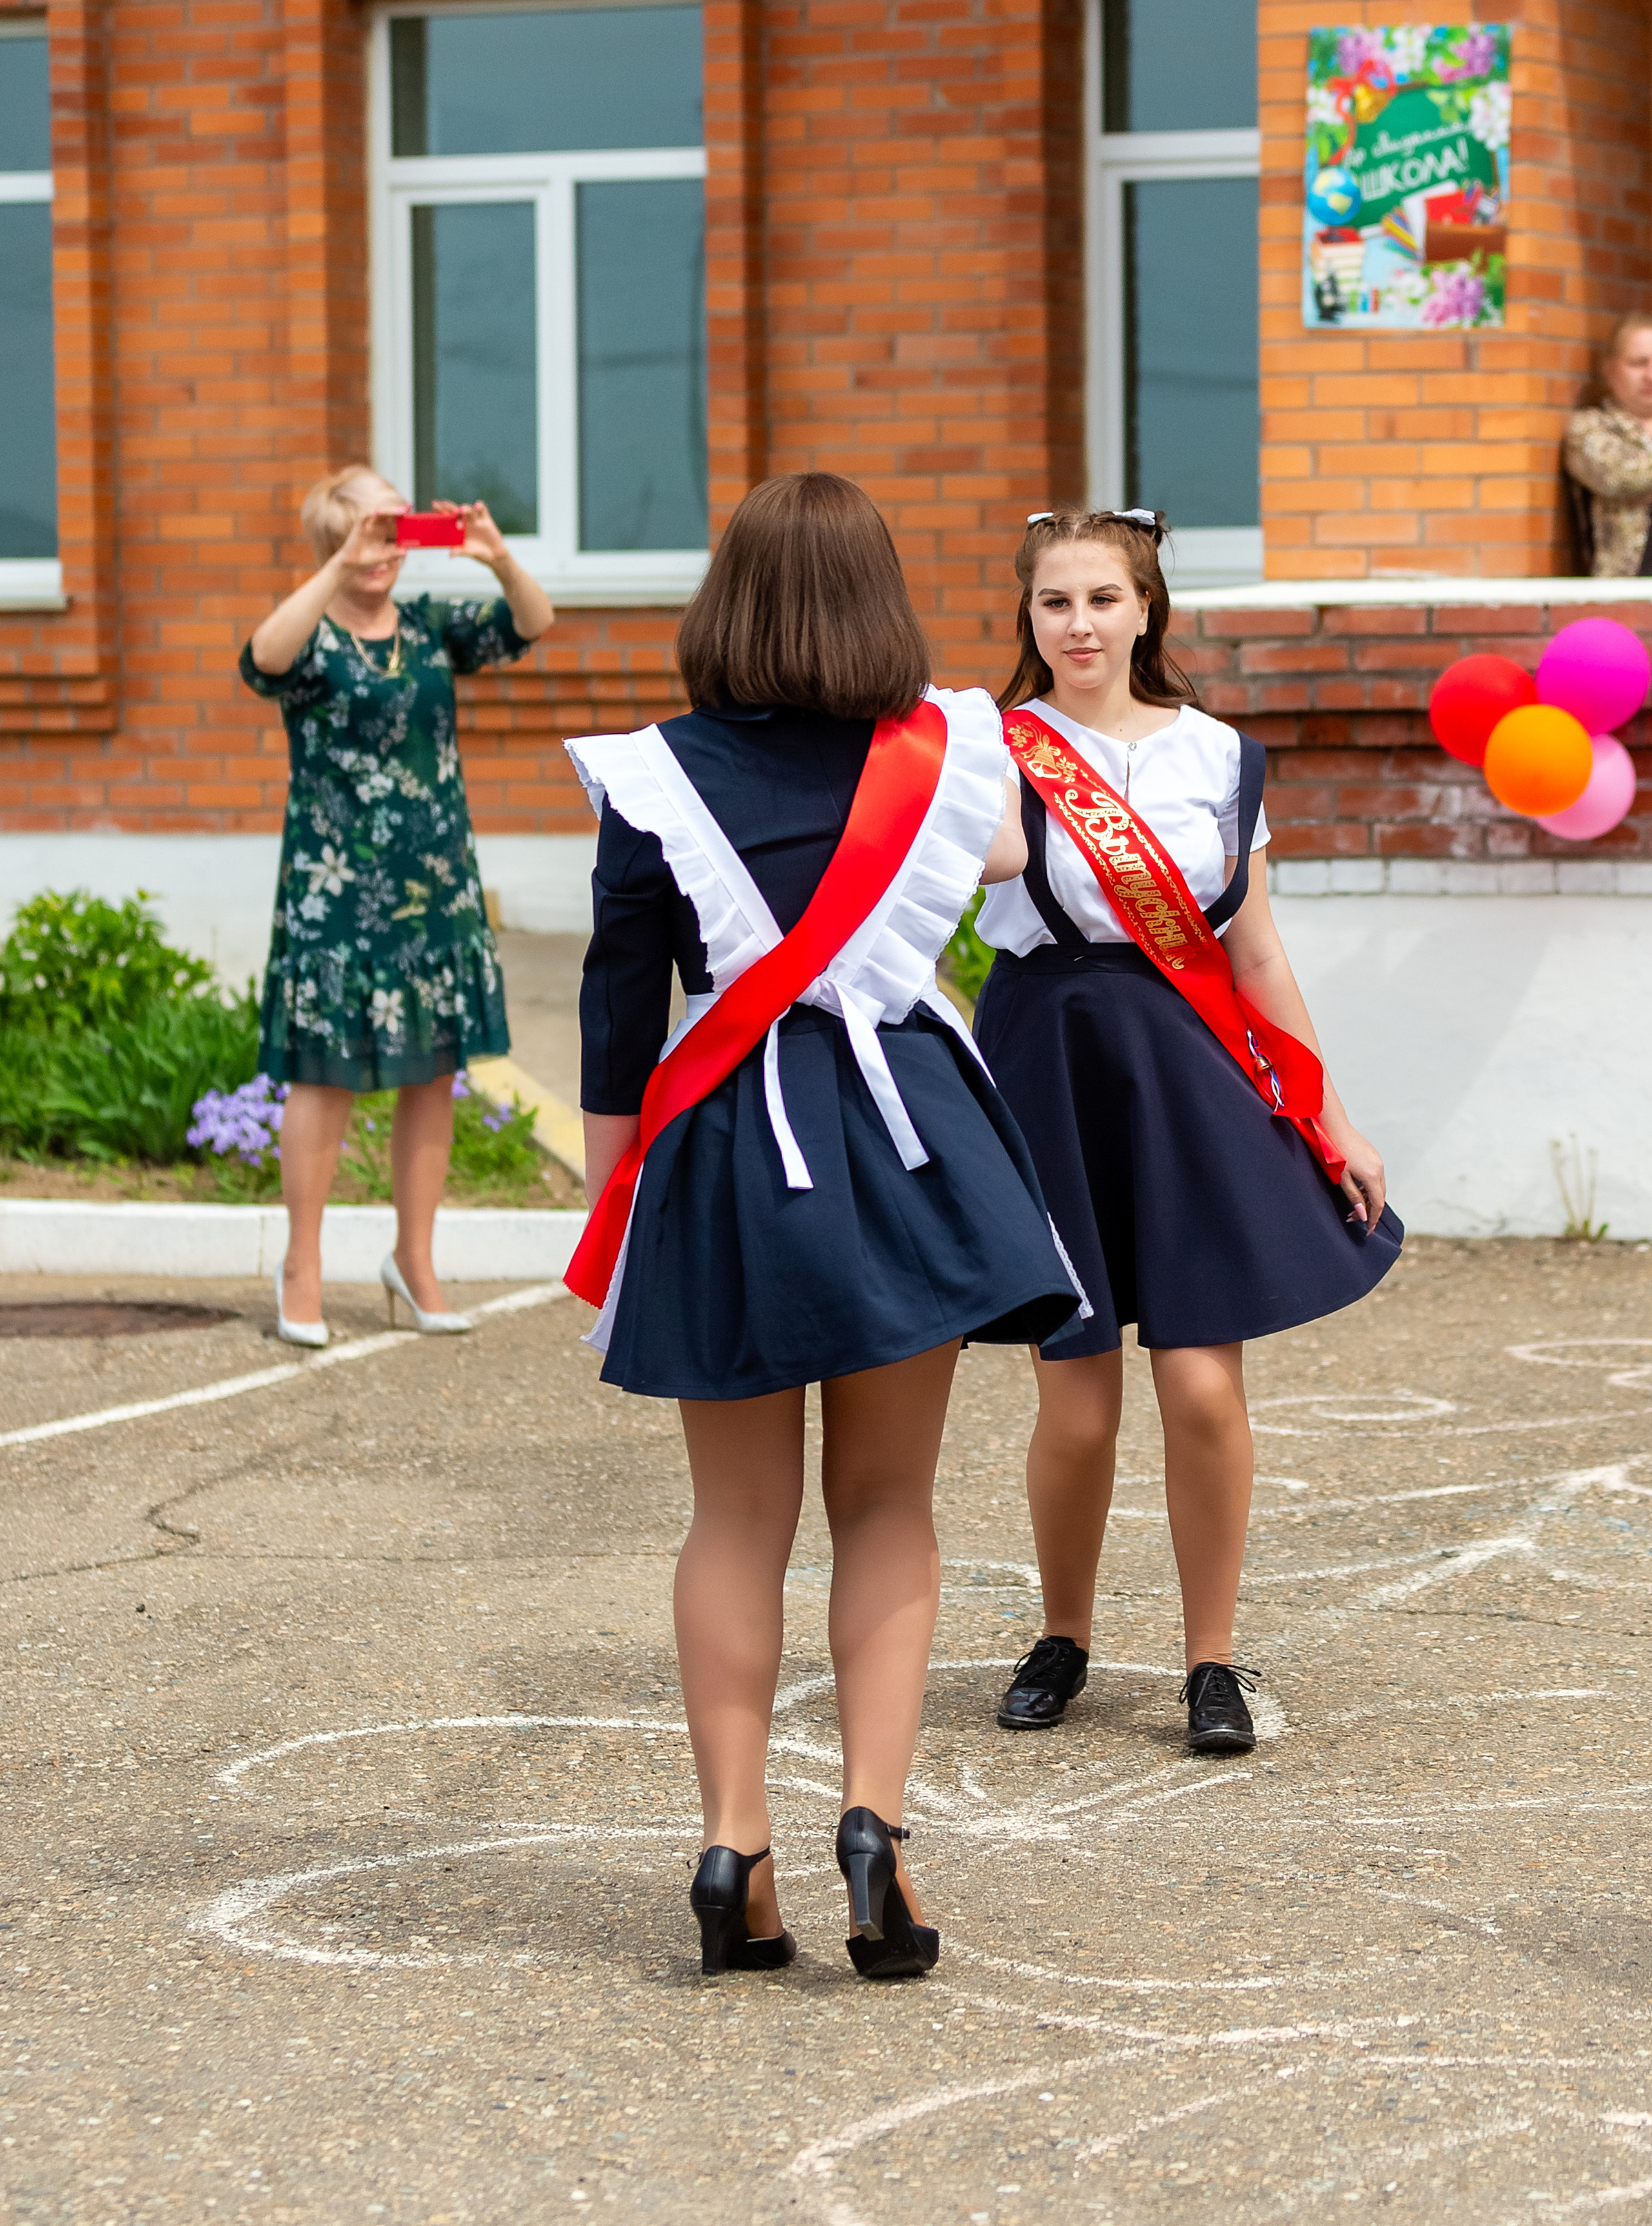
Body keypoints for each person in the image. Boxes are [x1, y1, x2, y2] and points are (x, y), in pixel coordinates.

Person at [565, 472, 1081, 1981]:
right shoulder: (944, 752)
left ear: (720, 599)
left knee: (733, 1518)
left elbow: (617, 1003)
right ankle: (874, 1827)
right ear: (877, 603)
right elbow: (1000, 861)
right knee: (885, 1505)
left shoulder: (653, 771)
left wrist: (620, 1190)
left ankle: (733, 1845)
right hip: (901, 1141)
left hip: (722, 1142)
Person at [971, 509, 1402, 1755]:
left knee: (1205, 1391)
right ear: (1030, 619)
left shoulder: (1217, 757)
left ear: (1148, 610)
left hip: (1189, 1067)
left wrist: (1327, 1113)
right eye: (1056, 603)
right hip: (1048, 1058)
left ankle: (1210, 1658)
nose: (1080, 625)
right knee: (1079, 1399)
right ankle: (1064, 1633)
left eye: (1104, 599)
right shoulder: (995, 753)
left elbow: (1254, 949)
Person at [242, 464, 554, 1348]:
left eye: (393, 528)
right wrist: (337, 569)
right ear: (335, 538)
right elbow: (264, 657)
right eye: (366, 529)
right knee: (325, 1076)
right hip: (333, 893)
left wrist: (496, 556)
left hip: (436, 888)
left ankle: (414, 1261)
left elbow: (533, 624)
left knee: (433, 1074)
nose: (383, 546)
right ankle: (300, 1266)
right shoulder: (311, 633)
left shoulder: (428, 630)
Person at [1564, 315, 1652, 579]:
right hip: (1625, 592)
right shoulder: (1590, 428)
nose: (1650, 375)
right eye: (1638, 363)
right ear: (1610, 369)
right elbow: (1621, 476)